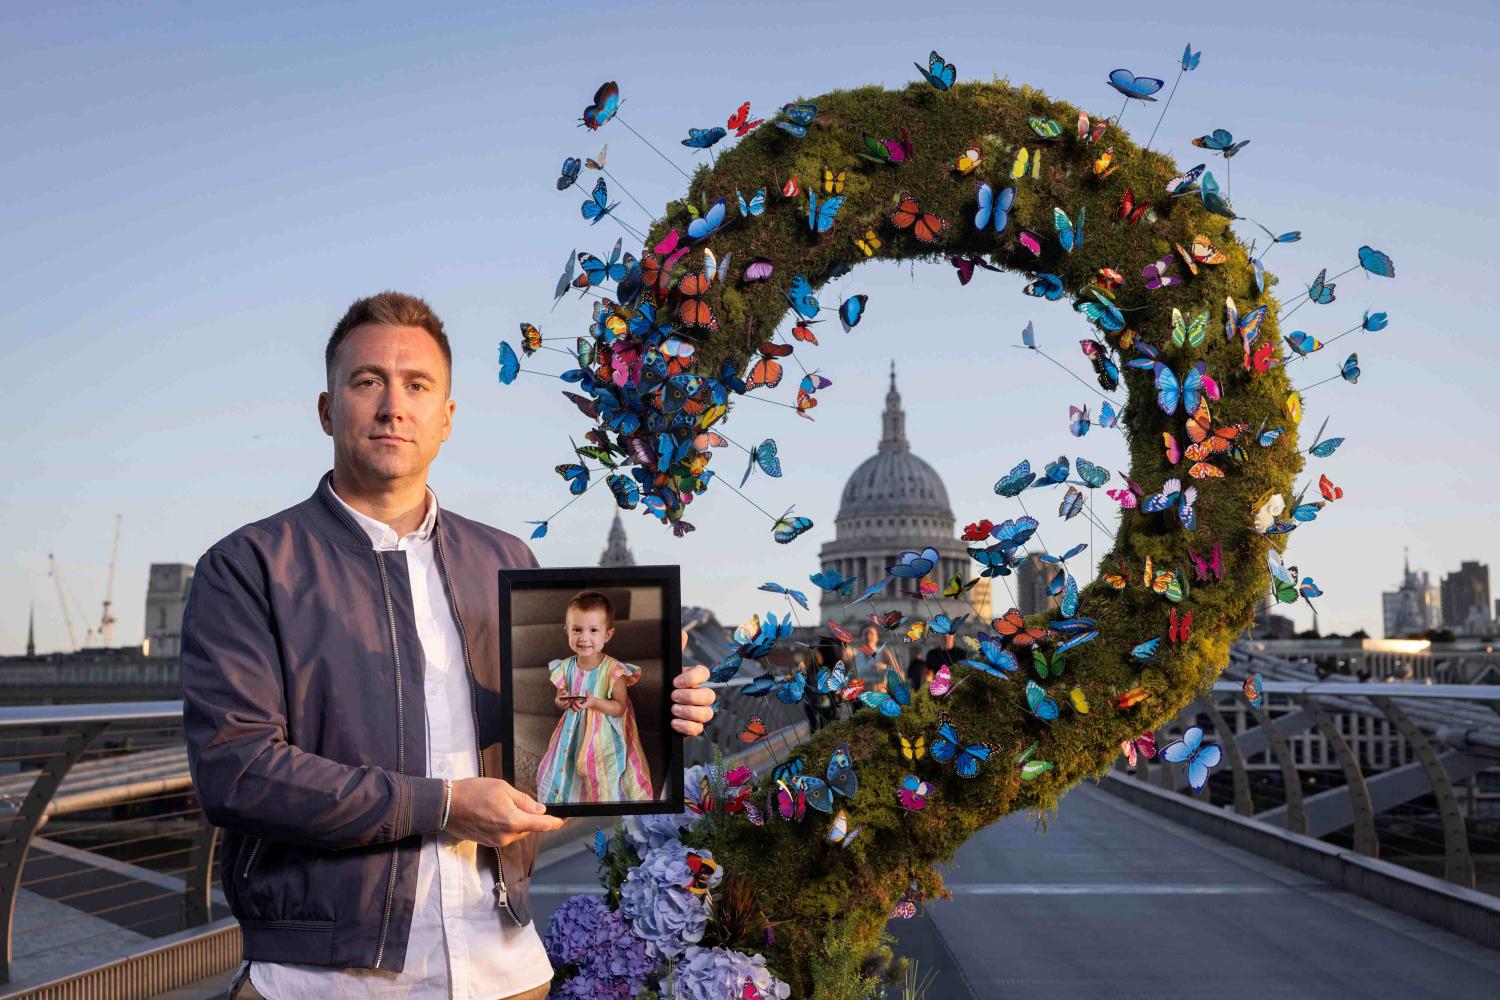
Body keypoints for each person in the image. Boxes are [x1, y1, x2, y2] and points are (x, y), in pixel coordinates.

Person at [179, 292, 716, 1000]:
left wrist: (659, 707)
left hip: (501, 962)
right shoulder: (248, 566)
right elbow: (238, 772)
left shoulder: (507, 560)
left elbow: (545, 740)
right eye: (367, 381)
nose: (392, 406)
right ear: (326, 410)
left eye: (417, 385)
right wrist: (444, 806)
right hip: (323, 976)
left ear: (447, 419)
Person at [534, 591, 653, 804]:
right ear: (567, 631)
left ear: (607, 635)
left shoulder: (613, 670)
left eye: (594, 630)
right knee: (567, 763)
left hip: (602, 733)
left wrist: (595, 702)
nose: (584, 638)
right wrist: (562, 700)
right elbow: (558, 699)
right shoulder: (565, 666)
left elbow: (620, 707)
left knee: (599, 770)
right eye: (577, 630)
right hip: (572, 729)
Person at [845, 623, 900, 695]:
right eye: (865, 633)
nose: (868, 636)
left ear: (877, 637)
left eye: (871, 633)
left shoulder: (883, 652)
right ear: (861, 637)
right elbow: (853, 677)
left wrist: (885, 667)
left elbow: (899, 673)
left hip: (879, 694)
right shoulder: (856, 655)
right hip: (861, 695)